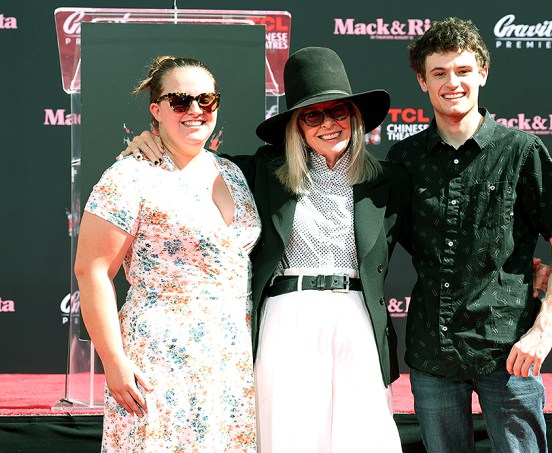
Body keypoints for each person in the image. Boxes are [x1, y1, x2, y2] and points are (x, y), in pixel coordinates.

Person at [121, 47, 407, 452]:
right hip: (285, 318)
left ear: (355, 116)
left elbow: (432, 243)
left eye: (338, 111)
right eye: (313, 115)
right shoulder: (261, 172)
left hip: (357, 319)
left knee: (362, 437)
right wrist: (151, 141)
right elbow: (193, 159)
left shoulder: (389, 180)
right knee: (288, 436)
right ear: (296, 124)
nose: (328, 124)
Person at [386, 17, 552, 452]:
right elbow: (374, 243)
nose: (452, 82)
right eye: (439, 72)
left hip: (510, 352)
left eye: (462, 70)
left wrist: (544, 328)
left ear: (482, 73)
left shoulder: (521, 150)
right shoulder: (404, 159)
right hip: (431, 354)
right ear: (422, 81)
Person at [74, 56, 260, 451]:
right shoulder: (129, 175)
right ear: (156, 110)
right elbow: (92, 271)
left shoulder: (233, 173)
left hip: (230, 361)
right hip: (159, 360)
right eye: (180, 101)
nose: (195, 110)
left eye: (206, 100)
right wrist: (113, 361)